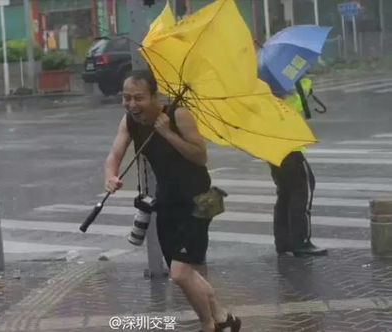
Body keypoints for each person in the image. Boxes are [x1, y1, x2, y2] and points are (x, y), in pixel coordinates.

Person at [104, 70, 241, 332]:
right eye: (126, 97)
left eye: (139, 98)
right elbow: (114, 154)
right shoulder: (130, 122)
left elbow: (200, 156)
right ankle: (221, 319)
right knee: (189, 273)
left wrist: (167, 133)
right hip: (166, 203)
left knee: (180, 273)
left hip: (197, 202)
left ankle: (210, 324)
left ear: (155, 96)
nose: (132, 104)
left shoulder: (179, 115)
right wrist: (110, 176)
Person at [269, 77, 328, 257]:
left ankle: (283, 241)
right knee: (302, 191)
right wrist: (305, 83)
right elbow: (294, 108)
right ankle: (300, 242)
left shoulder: (262, 83)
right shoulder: (281, 85)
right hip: (290, 149)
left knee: (286, 193)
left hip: (273, 149)